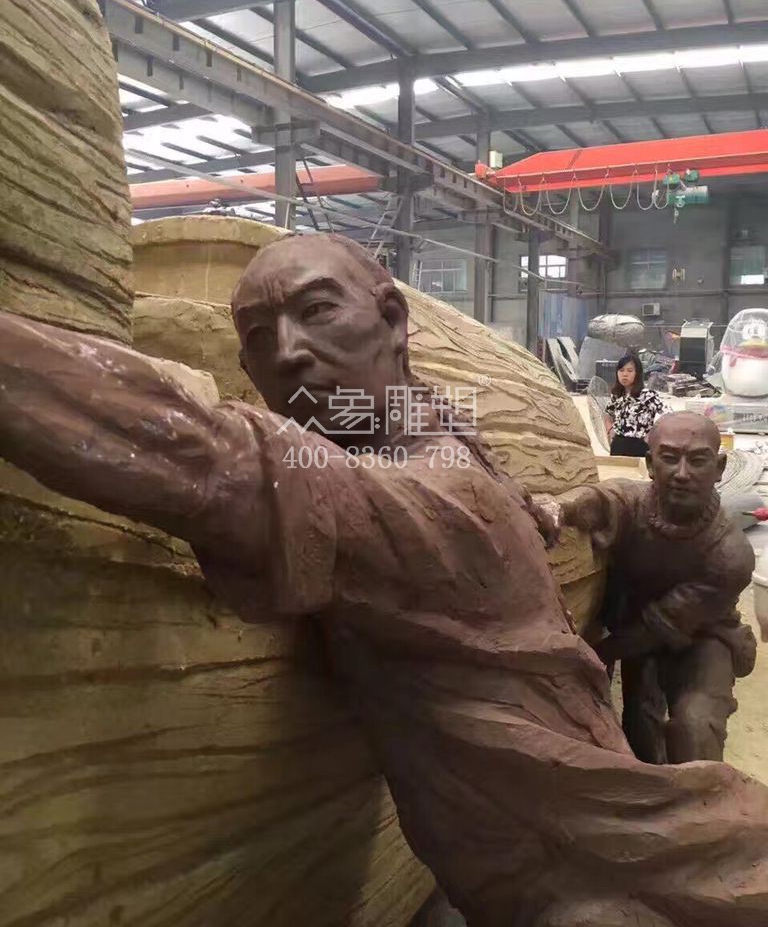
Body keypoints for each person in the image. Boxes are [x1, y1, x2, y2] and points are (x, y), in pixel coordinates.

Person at [1, 233, 768, 927]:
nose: (289, 353)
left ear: (394, 321)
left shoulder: (439, 496)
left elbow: (208, 458)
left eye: (316, 312)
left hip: (575, 880)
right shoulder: (435, 433)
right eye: (259, 339)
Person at [559, 412, 757, 765]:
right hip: (638, 626)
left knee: (696, 726)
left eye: (697, 460)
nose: (681, 473)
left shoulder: (731, 553)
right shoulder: (635, 503)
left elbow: (658, 627)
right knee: (640, 730)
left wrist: (595, 655)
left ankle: (703, 797)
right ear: (651, 464)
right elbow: (599, 499)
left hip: (703, 636)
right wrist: (559, 507)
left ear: (719, 467)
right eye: (669, 458)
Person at [605, 352, 666, 457]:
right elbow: (608, 414)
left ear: (637, 373)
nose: (625, 374)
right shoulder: (616, 396)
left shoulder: (647, 396)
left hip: (640, 446)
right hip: (618, 445)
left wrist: (652, 435)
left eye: (630, 371)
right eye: (621, 370)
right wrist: (610, 430)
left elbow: (666, 415)